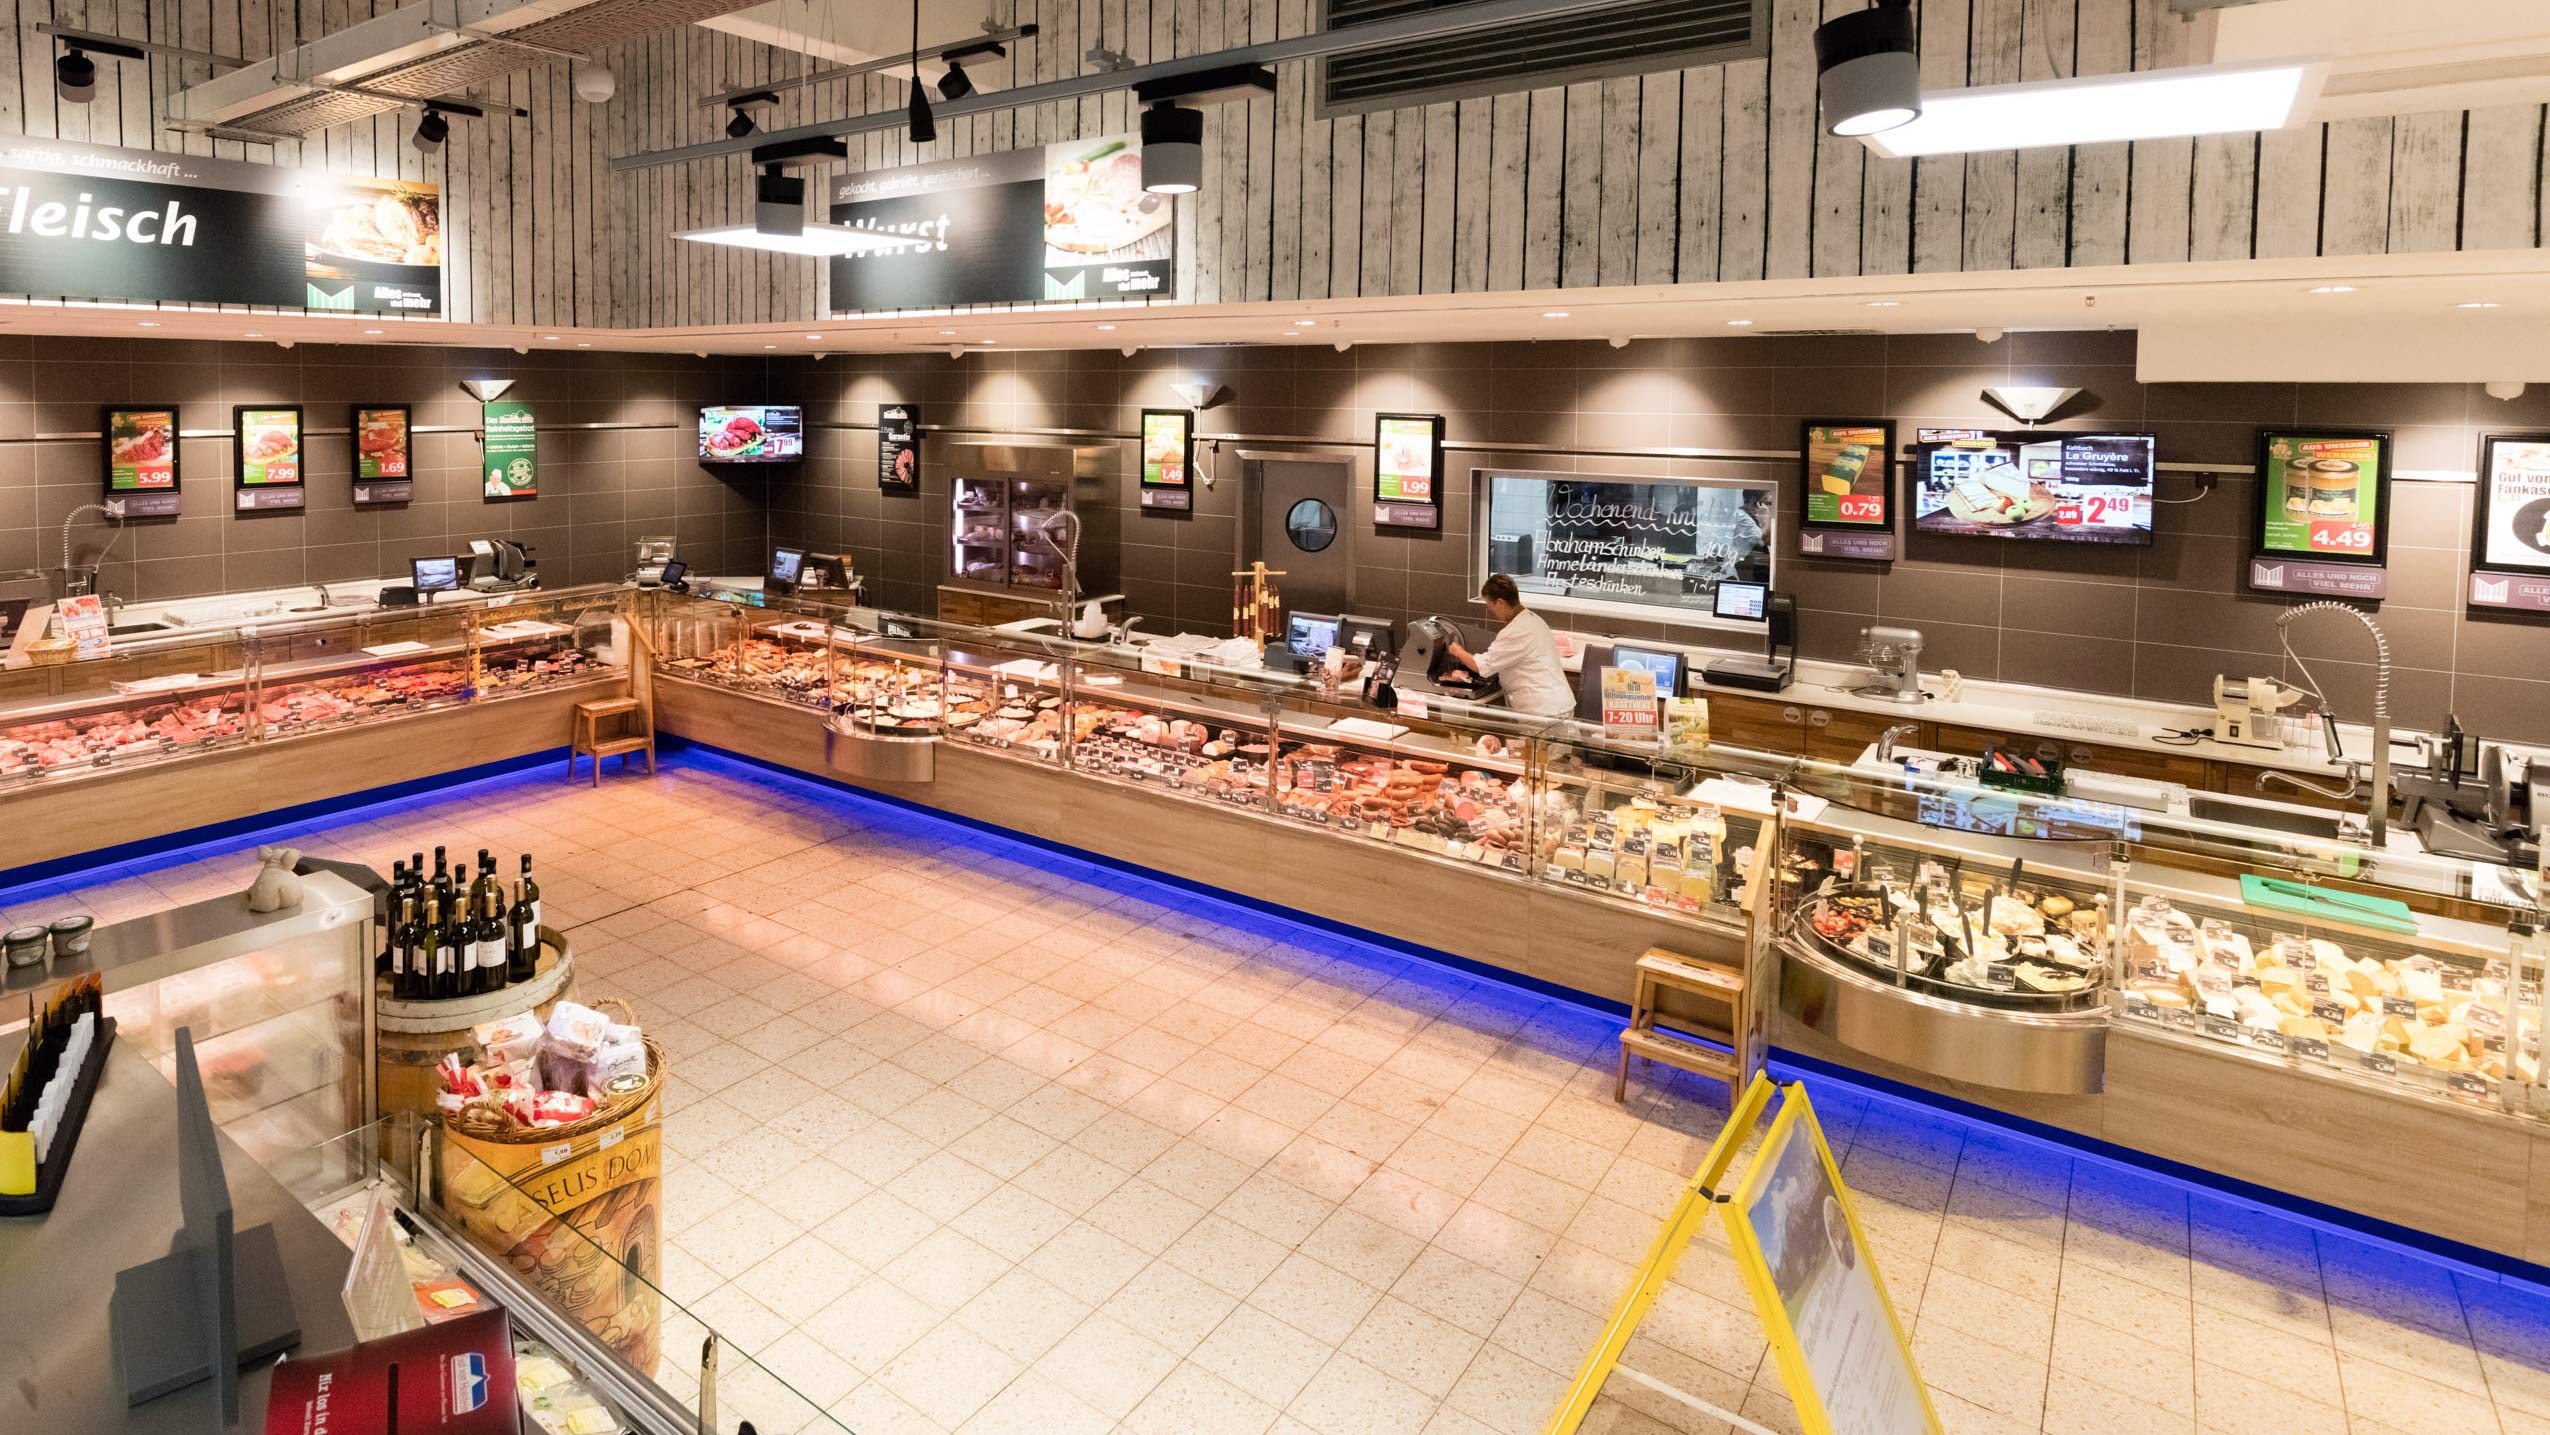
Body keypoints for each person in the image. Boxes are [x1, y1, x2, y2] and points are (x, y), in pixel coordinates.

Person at [1447, 574, 1575, 718]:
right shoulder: (1534, 619)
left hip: (1543, 710)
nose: (1492, 612)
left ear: (1500, 603)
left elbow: (1483, 666)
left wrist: (1457, 651)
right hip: (1558, 705)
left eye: (1491, 607)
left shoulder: (1516, 631)